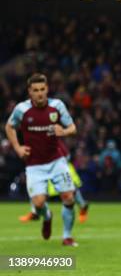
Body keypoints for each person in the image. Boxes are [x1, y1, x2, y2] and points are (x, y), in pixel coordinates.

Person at [5, 73, 79, 246]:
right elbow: (9, 127)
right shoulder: (22, 110)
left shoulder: (57, 106)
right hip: (34, 165)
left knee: (69, 197)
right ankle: (47, 216)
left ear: (47, 89)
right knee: (38, 204)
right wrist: (17, 147)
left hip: (56, 161)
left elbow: (73, 128)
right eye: (35, 90)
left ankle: (67, 236)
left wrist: (64, 132)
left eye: (42, 89)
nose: (39, 93)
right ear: (29, 92)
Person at [19, 139, 90, 224]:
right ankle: (35, 212)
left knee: (70, 188)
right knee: (35, 187)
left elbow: (67, 156)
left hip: (59, 167)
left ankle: (82, 206)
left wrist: (57, 163)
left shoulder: (52, 139)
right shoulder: (35, 140)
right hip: (42, 168)